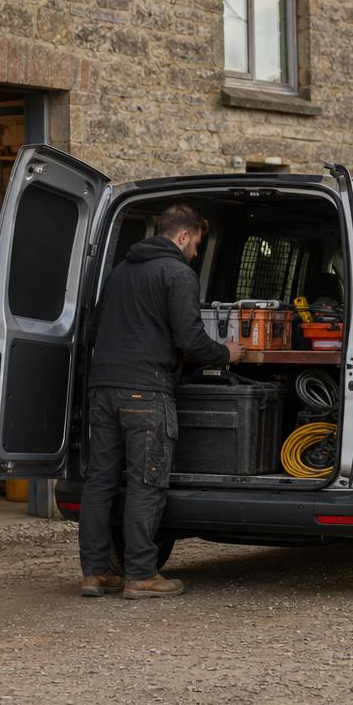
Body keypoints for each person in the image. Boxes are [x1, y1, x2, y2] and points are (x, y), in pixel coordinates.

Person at [79, 203, 243, 599]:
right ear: (183, 236)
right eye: (197, 244)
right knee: (145, 482)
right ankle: (141, 574)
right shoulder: (177, 273)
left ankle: (96, 573)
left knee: (99, 481)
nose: (196, 253)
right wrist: (225, 354)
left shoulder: (120, 270)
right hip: (145, 392)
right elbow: (189, 338)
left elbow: (95, 327)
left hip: (102, 388)